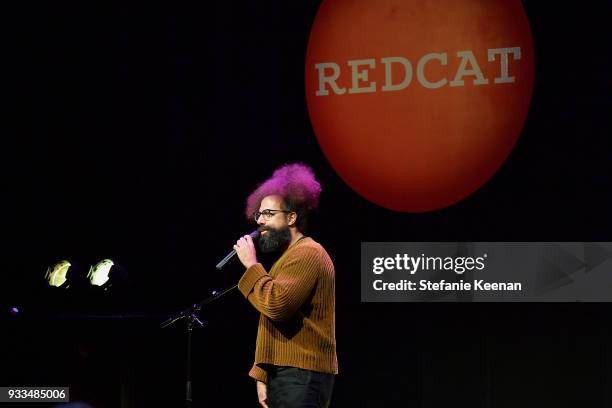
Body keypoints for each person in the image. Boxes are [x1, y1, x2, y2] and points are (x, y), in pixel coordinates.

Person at [233, 163, 337, 408]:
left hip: (302, 373)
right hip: (286, 372)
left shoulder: (308, 253)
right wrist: (262, 372)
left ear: (291, 217)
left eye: (269, 214)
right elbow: (272, 323)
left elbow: (277, 306)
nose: (261, 222)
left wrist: (251, 266)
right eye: (259, 215)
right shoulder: (287, 258)